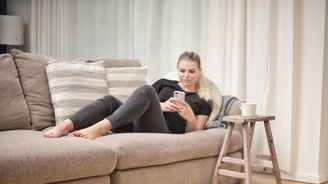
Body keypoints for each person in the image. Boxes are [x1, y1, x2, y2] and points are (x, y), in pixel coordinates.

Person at [44, 51, 212, 139]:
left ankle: (101, 128)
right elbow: (141, 100)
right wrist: (161, 105)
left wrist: (189, 117)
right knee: (110, 101)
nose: (186, 75)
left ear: (199, 71)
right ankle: (66, 125)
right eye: (182, 71)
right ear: (177, 69)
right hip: (136, 123)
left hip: (162, 131)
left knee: (147, 90)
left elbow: (196, 136)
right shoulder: (163, 83)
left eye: (191, 71)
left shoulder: (203, 99)